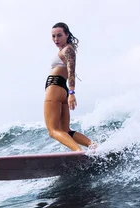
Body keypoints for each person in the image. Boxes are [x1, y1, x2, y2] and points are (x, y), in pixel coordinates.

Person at [44, 22, 96, 151]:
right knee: (66, 130)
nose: (56, 39)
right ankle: (93, 146)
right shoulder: (65, 50)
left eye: (59, 35)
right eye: (53, 36)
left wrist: (72, 93)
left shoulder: (67, 50)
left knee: (53, 130)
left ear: (67, 35)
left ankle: (78, 151)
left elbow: (71, 72)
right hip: (62, 90)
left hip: (55, 88)